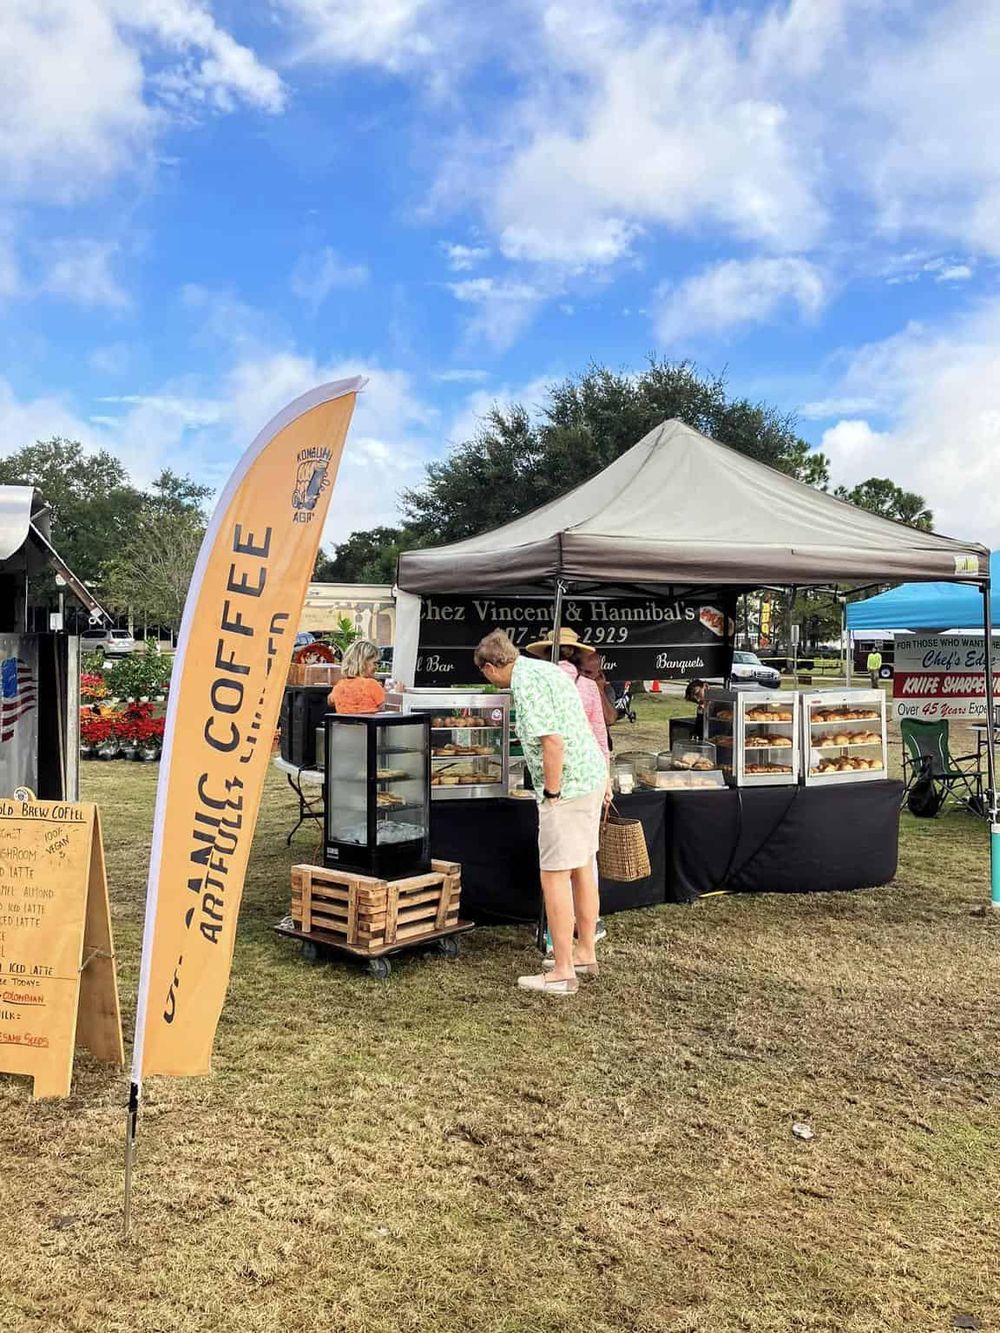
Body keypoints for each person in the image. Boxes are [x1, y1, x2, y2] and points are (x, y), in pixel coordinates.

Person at [475, 630, 610, 997]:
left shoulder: (525, 684)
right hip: (591, 776)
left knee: (554, 876)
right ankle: (585, 952)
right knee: (583, 867)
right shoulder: (546, 670)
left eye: (485, 674)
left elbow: (552, 741)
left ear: (490, 667)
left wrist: (550, 793)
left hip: (567, 788)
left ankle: (564, 971)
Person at [526, 629, 612, 948]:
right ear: (575, 653)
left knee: (556, 867)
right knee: (585, 860)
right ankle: (587, 933)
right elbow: (600, 738)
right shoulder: (588, 686)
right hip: (589, 777)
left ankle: (555, 936)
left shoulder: (542, 683)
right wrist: (606, 781)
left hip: (557, 779)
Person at [329, 639, 385, 715]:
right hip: (369, 726)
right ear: (362, 663)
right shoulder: (371, 684)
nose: (376, 667)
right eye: (375, 663)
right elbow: (384, 707)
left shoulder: (339, 686)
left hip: (344, 726)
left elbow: (330, 701)